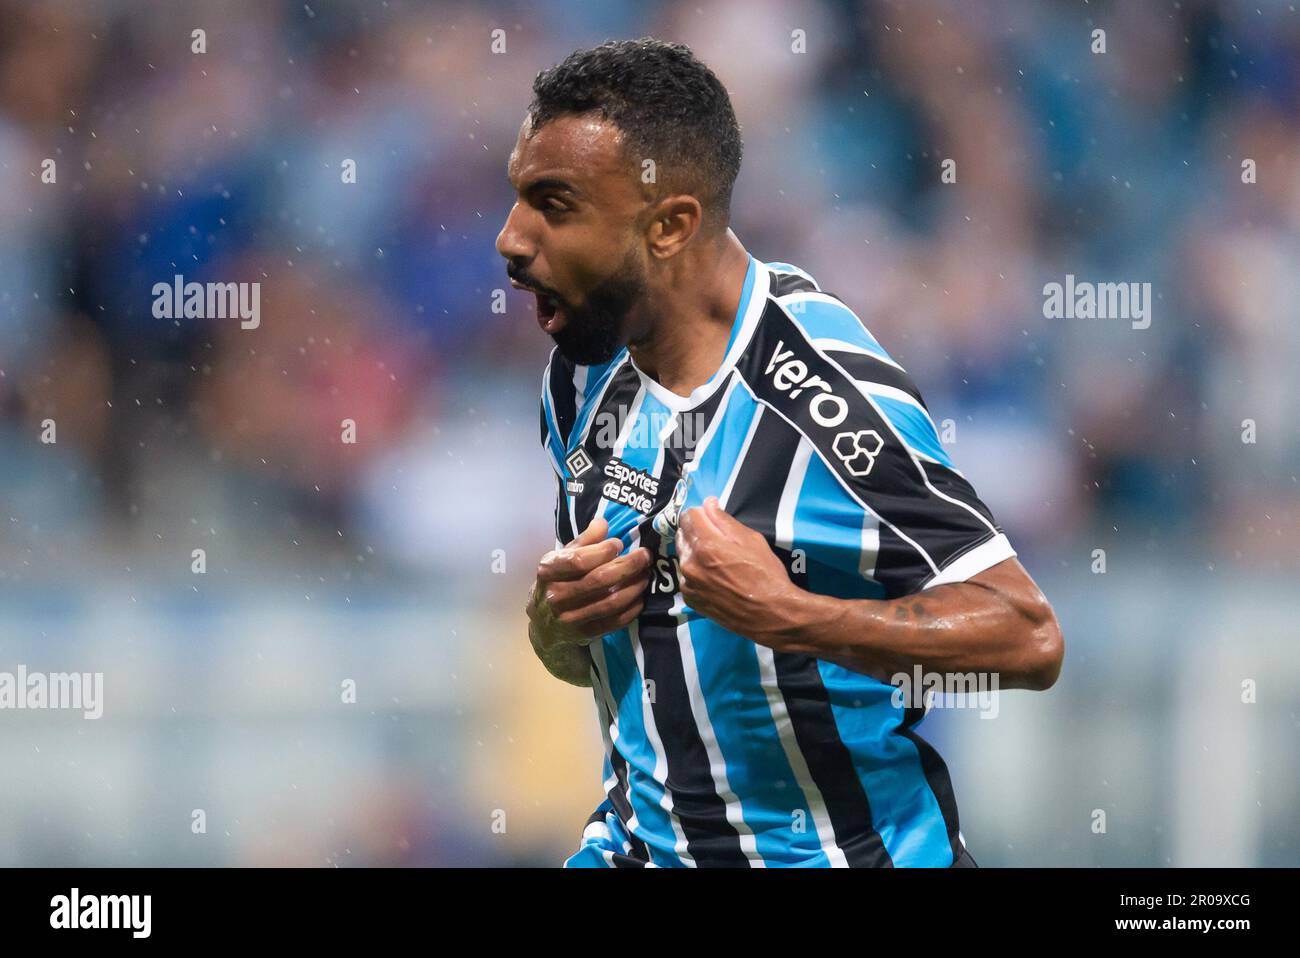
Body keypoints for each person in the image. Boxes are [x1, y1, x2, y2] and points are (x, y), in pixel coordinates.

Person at [496, 38, 1063, 868]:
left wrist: (793, 616)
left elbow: (1027, 636)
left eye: (556, 204)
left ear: (670, 226)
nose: (512, 239)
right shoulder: (582, 375)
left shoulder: (823, 395)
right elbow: (622, 666)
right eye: (518, 196)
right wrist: (556, 627)